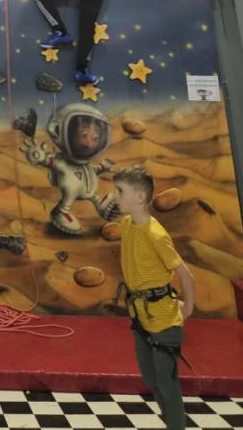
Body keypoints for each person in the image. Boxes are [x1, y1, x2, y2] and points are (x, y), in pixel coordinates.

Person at [114, 165, 194, 430]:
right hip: (141, 318)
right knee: (152, 380)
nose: (115, 196)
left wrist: (188, 307)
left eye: (120, 191)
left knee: (167, 384)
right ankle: (172, 424)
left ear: (139, 197)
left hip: (164, 321)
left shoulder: (156, 234)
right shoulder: (127, 224)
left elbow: (186, 275)